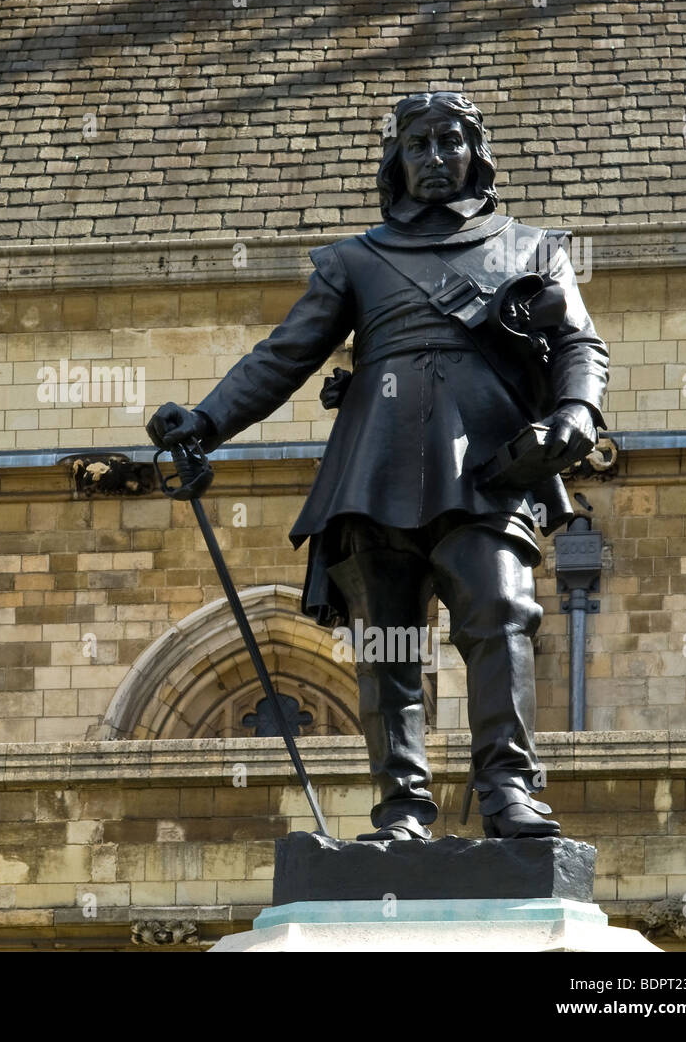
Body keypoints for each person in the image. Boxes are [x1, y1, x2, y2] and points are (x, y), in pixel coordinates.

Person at [146, 92, 608, 840]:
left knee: (499, 611)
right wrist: (206, 419)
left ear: (475, 153)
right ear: (396, 160)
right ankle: (401, 810)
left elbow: (583, 346)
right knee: (387, 642)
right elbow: (284, 355)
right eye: (418, 144)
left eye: (450, 141)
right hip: (375, 467)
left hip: (488, 465)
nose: (435, 157)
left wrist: (577, 413)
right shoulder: (356, 260)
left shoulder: (533, 249)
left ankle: (508, 792)